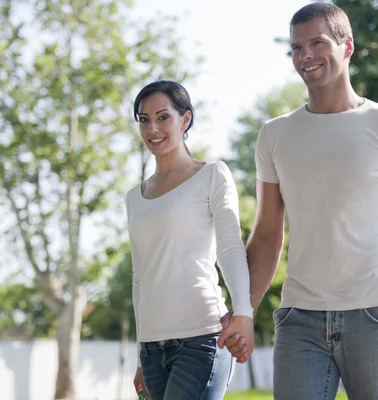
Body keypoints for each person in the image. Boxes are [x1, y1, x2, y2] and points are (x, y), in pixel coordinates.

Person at [220, 3, 378, 399]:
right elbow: (268, 233)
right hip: (299, 317)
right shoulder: (275, 135)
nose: (305, 56)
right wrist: (243, 311)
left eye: (316, 43)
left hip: (376, 315)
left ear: (347, 46)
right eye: (296, 48)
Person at [126, 80, 255, 400]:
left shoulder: (212, 174)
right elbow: (140, 277)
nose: (152, 128)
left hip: (201, 338)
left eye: (162, 117)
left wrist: (244, 313)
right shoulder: (135, 197)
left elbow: (229, 248)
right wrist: (142, 354)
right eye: (144, 120)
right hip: (154, 350)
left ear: (185, 120)